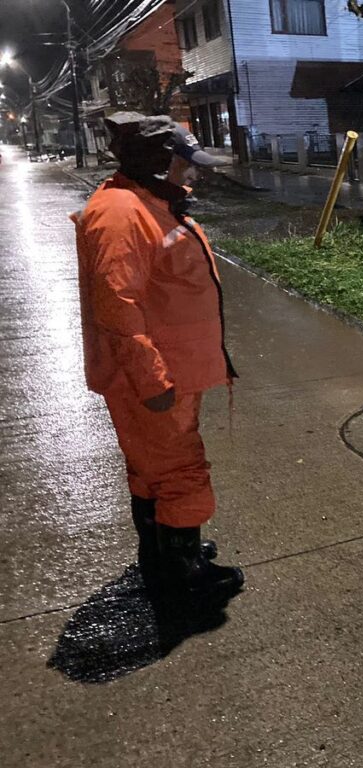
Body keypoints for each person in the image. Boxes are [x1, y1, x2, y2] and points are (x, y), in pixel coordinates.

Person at [71, 112, 244, 602]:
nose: (193, 173)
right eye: (184, 163)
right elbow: (117, 307)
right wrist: (152, 381)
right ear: (156, 162)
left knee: (154, 469)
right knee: (179, 470)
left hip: (165, 371)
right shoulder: (123, 213)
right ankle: (182, 573)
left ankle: (165, 553)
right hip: (155, 377)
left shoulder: (145, 202)